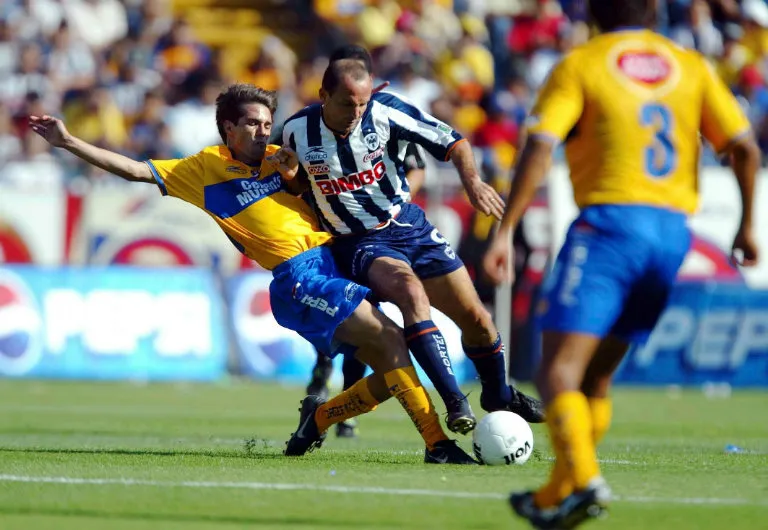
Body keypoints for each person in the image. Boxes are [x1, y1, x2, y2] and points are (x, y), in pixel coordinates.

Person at [29, 83, 476, 465]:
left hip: (335, 263)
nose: (263, 132)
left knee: (393, 369)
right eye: (252, 124)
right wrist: (68, 142)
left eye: (267, 124)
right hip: (301, 279)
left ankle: (319, 418)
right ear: (229, 128)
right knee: (393, 342)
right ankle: (436, 444)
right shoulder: (202, 169)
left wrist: (300, 174)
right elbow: (133, 170)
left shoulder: (283, 159)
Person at [482, 0, 760, 526]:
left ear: (594, 14)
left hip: (609, 229)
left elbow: (540, 146)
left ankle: (586, 482)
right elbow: (744, 148)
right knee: (598, 378)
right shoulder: (691, 65)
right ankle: (554, 497)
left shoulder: (582, 63)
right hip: (673, 235)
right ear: (653, 13)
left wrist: (507, 229)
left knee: (557, 370)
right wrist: (745, 225)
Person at [273, 46, 545, 438]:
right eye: (349, 103)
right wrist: (292, 178)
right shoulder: (296, 130)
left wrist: (472, 183)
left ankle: (498, 394)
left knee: (479, 322)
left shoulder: (385, 111)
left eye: (363, 103)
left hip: (410, 226)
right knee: (410, 293)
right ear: (323, 96)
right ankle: (455, 403)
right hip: (358, 241)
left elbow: (455, 143)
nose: (357, 113)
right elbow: (295, 185)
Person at [305, 141, 428, 440]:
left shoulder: (388, 123)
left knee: (365, 317)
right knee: (332, 311)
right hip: (324, 234)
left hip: (371, 238)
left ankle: (346, 406)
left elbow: (417, 169)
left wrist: (388, 206)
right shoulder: (302, 127)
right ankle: (322, 368)